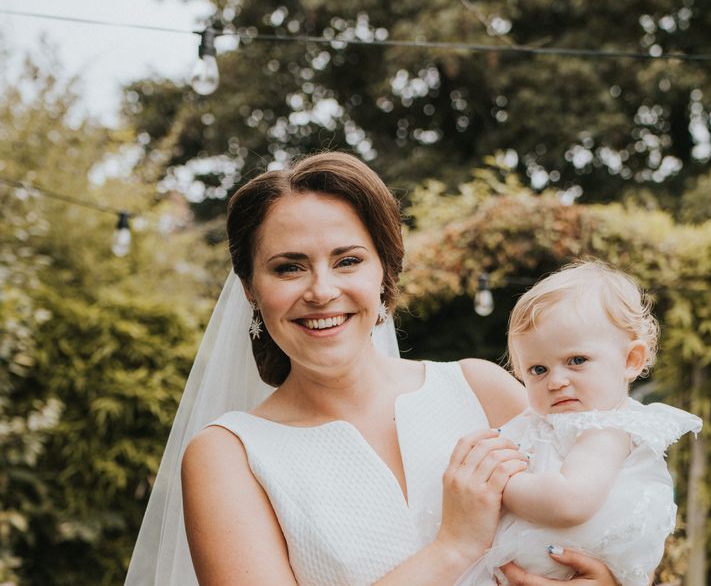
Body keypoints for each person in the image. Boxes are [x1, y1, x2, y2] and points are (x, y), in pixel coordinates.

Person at [125, 151, 622, 585]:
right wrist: (454, 547)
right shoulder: (228, 455)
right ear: (251, 287)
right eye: (288, 267)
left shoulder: (482, 390)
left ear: (384, 269)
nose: (321, 291)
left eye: (347, 261)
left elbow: (614, 518)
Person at [456, 261, 703, 586]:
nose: (556, 381)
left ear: (631, 360)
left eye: (577, 361)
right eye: (538, 370)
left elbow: (569, 502)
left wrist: (496, 481)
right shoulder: (547, 422)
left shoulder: (607, 430)